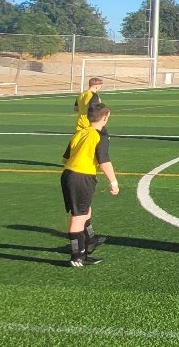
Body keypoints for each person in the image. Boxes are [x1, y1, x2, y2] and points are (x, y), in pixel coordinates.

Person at [61, 103, 120, 267]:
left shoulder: (80, 133)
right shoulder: (99, 136)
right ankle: (77, 256)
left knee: (85, 210)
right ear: (105, 118)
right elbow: (104, 161)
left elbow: (65, 159)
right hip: (81, 177)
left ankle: (89, 241)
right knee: (78, 217)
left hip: (68, 174)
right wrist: (113, 182)